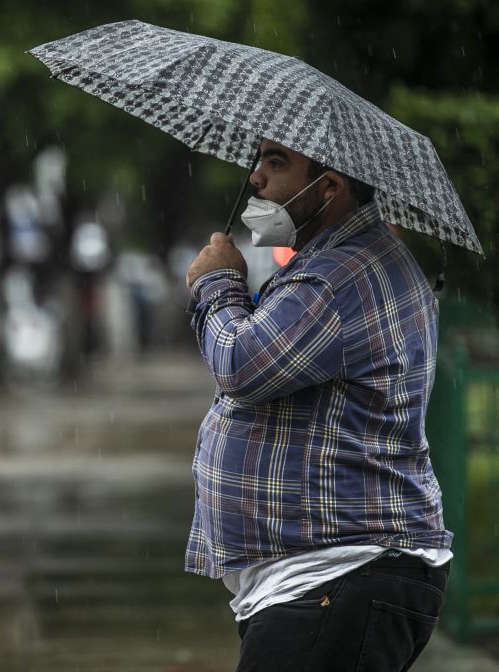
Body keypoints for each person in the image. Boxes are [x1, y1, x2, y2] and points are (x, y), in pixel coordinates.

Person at [184, 139, 452, 672]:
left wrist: (216, 283)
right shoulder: (342, 262)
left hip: (336, 576)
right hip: (332, 578)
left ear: (329, 187)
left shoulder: (338, 277)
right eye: (259, 161)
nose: (256, 178)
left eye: (276, 163)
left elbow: (241, 365)